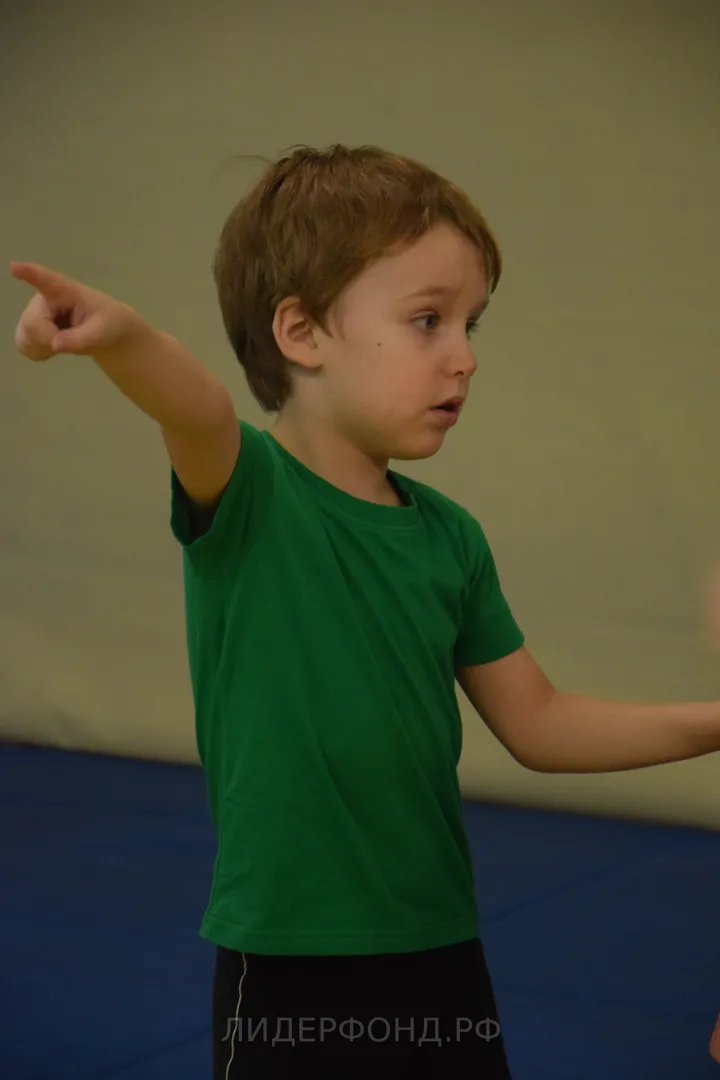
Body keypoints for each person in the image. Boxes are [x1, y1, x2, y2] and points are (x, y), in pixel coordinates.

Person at [10, 143, 720, 1079]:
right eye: (428, 320)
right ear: (301, 332)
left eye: (470, 324)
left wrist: (713, 722)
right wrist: (120, 337)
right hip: (291, 960)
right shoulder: (252, 494)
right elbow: (197, 409)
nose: (465, 357)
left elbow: (541, 724)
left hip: (440, 944)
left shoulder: (451, 539)